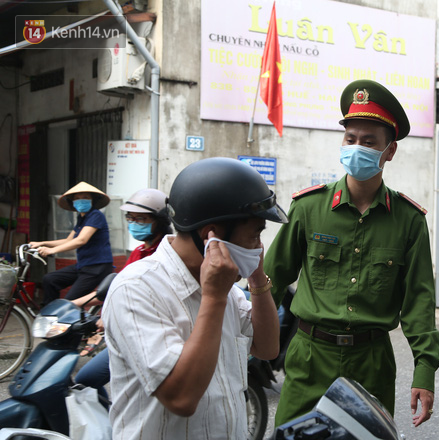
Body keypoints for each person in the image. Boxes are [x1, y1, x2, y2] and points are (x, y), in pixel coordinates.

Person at [264, 79, 439, 428]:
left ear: (389, 151)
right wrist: (243, 343)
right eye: (350, 139)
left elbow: (419, 300)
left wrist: (425, 369)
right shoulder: (308, 208)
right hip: (310, 356)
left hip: (371, 361)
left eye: (369, 141)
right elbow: (271, 279)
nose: (357, 147)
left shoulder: (408, 221)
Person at [102, 158, 287, 439]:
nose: (259, 245)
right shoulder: (135, 289)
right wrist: (213, 298)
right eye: (255, 234)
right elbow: (181, 397)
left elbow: (267, 347)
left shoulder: (230, 291)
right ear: (209, 235)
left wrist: (257, 277)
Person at [73, 188, 172, 402]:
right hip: (126, 333)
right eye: (131, 218)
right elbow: (117, 287)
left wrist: (105, 317)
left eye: (141, 219)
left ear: (160, 221)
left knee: (89, 380)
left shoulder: (167, 253)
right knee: (87, 381)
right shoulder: (138, 252)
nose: (134, 223)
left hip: (150, 336)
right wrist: (74, 304)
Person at [29, 182, 113, 305]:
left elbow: (81, 240)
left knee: (69, 303)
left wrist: (52, 251)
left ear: (92, 200)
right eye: (77, 198)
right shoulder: (82, 218)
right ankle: (49, 316)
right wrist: (41, 243)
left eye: (85, 197)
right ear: (72, 202)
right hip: (84, 265)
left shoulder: (96, 215)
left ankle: (61, 318)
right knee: (49, 279)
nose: (81, 201)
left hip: (97, 267)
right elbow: (69, 240)